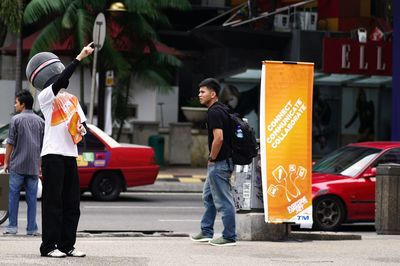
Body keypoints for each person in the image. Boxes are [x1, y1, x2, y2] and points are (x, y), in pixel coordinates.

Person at [27, 44, 94, 258]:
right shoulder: (45, 96)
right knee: (52, 203)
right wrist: (79, 57)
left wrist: (83, 129)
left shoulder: (72, 99)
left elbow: (83, 126)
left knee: (72, 204)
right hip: (52, 155)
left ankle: (67, 245)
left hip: (70, 155)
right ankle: (48, 247)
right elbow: (61, 80)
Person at [190, 78, 236, 246]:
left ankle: (229, 236)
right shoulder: (222, 109)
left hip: (220, 163)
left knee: (223, 201)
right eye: (199, 91)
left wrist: (212, 158)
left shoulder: (214, 112)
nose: (199, 95)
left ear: (213, 94)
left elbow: (219, 138)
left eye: (203, 92)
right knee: (208, 197)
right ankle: (206, 231)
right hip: (222, 161)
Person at [3, 90, 44, 236]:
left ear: (23, 104)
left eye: (16, 102)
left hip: (17, 165)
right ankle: (32, 228)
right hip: (33, 166)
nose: (15, 105)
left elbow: (10, 143)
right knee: (32, 199)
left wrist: (6, 162)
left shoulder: (16, 120)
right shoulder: (41, 122)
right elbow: (43, 145)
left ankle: (12, 227)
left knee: (13, 197)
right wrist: (40, 166)